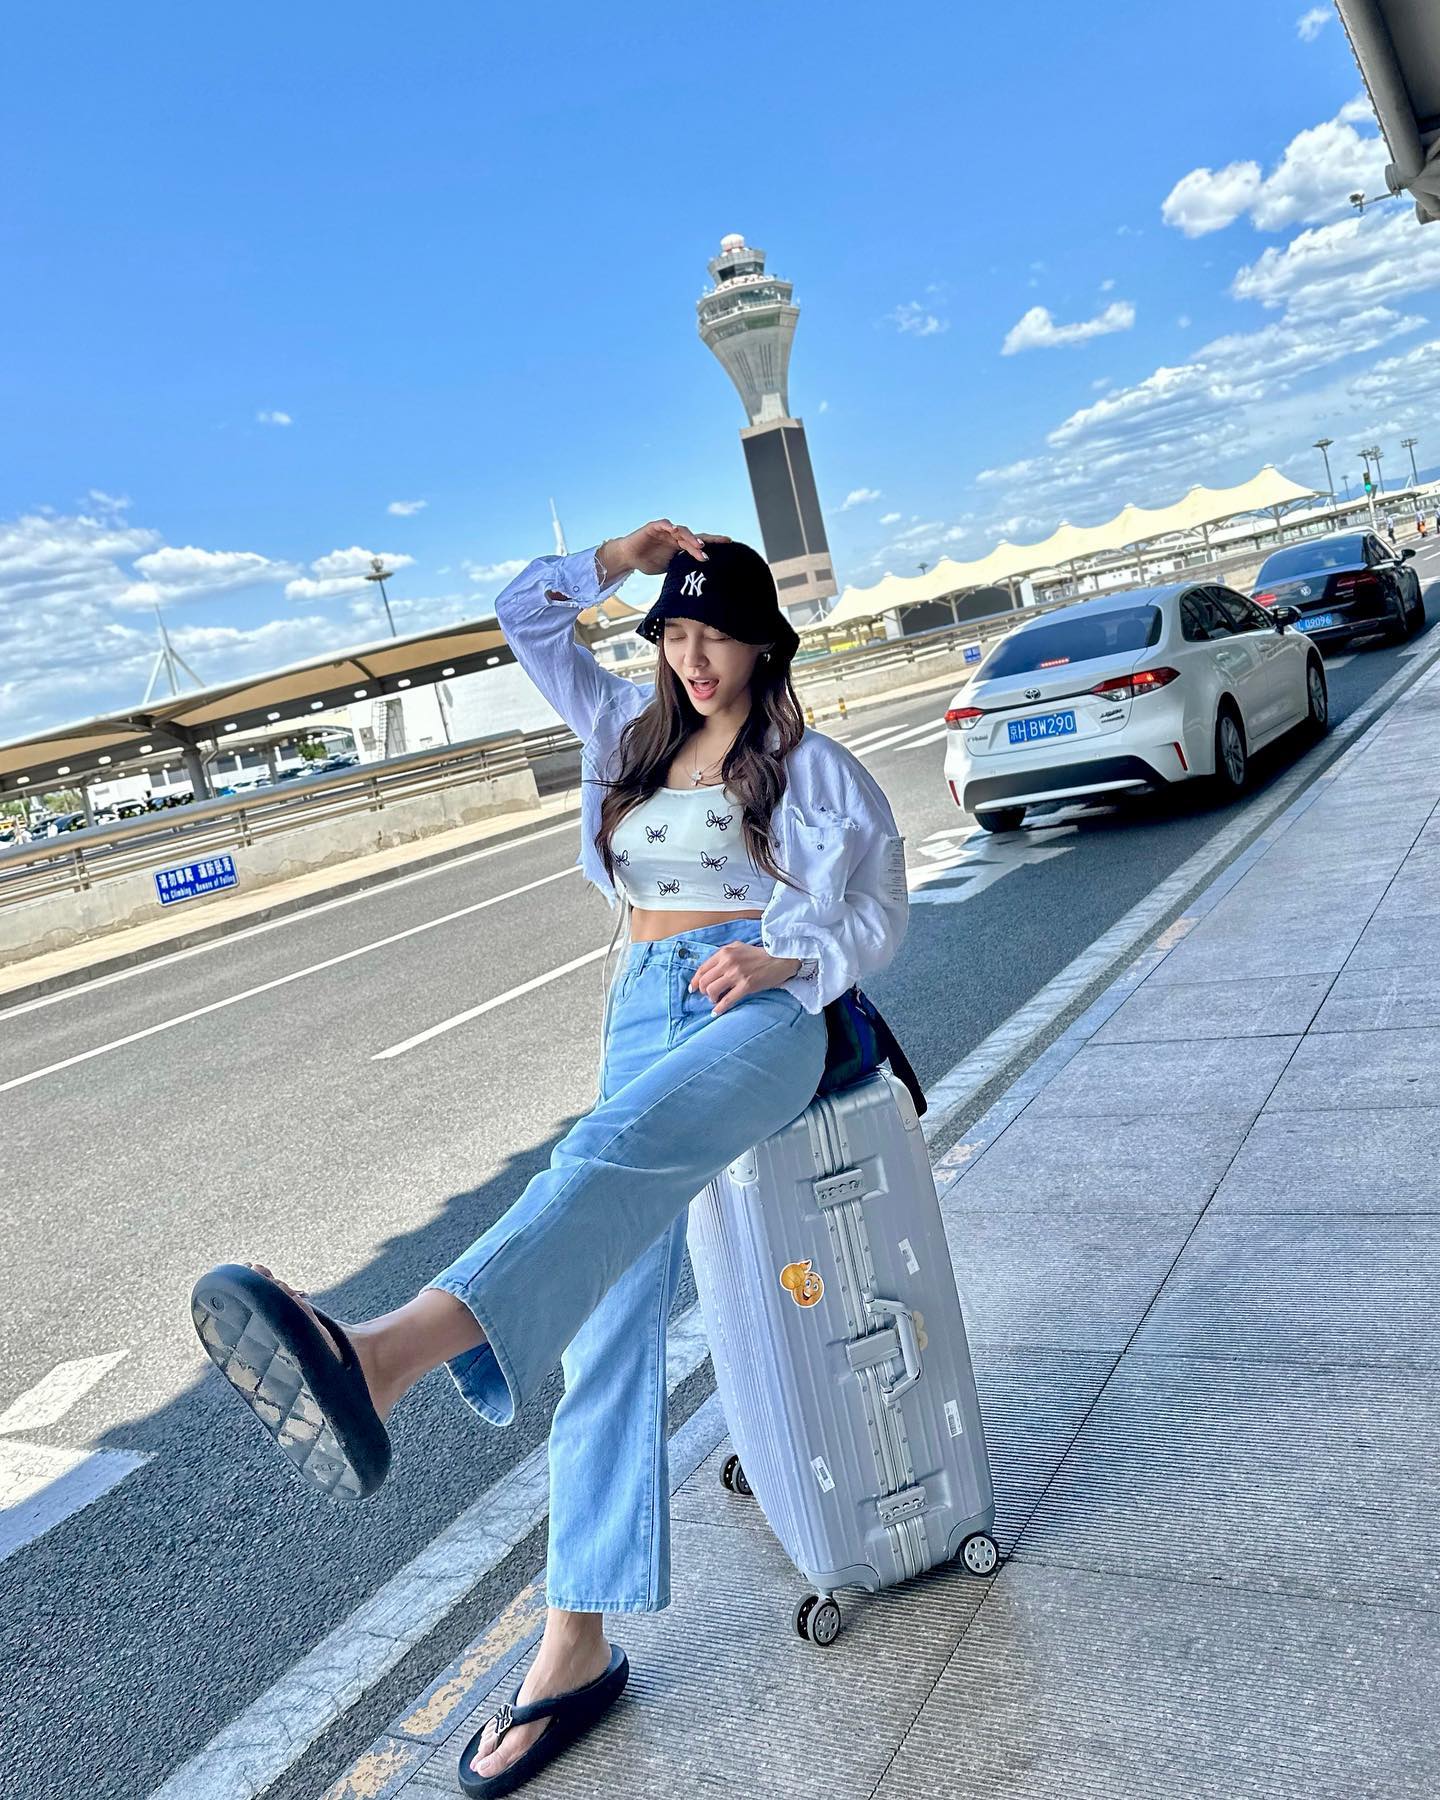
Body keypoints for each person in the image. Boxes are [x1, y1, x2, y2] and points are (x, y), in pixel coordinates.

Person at [189, 519, 908, 1796]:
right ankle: (574, 1647)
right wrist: (619, 558)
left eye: (717, 635)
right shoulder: (625, 733)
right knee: (608, 1324)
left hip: (761, 1013)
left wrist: (790, 958)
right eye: (674, 634)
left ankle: (384, 1353)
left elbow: (881, 909)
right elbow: (524, 617)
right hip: (641, 1006)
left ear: (763, 643)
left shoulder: (815, 767)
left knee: (600, 1152)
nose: (693, 658)